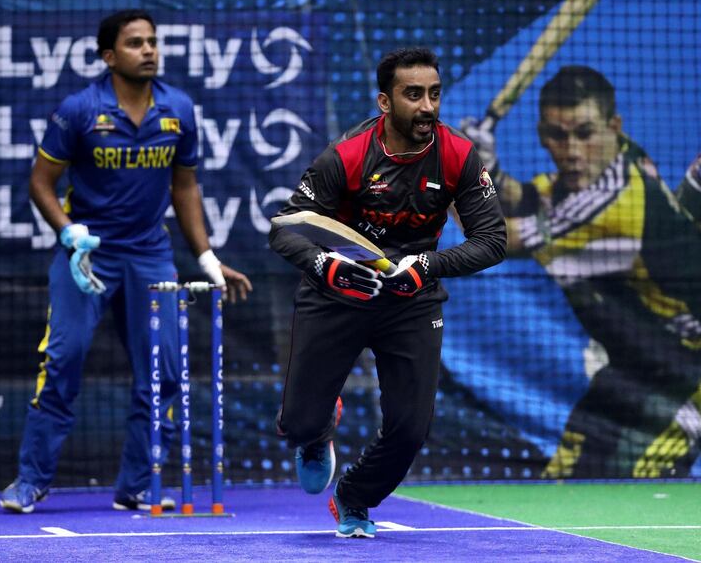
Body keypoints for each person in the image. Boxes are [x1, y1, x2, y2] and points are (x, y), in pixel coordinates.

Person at [0, 9, 252, 513]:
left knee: (166, 373)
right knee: (64, 359)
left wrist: (205, 258)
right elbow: (40, 183)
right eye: (136, 43)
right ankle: (30, 481)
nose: (149, 50)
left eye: (153, 42)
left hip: (150, 255)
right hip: (87, 258)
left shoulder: (178, 109)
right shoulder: (78, 109)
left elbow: (185, 187)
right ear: (110, 56)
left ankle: (136, 484)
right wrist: (69, 233)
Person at [269, 47, 506, 538]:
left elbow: (493, 241)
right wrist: (323, 265)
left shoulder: (458, 155)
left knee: (410, 429)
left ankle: (354, 497)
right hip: (337, 293)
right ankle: (315, 433)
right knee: (297, 422)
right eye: (413, 95)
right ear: (384, 102)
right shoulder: (347, 156)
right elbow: (284, 229)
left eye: (434, 95)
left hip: (411, 300)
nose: (427, 107)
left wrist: (427, 266)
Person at [462, 65, 701, 479]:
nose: (572, 151)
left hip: (682, 379)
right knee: (563, 482)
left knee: (630, 493)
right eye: (558, 136)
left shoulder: (613, 210)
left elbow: (490, 236)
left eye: (585, 134)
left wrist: (461, 173)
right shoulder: (620, 158)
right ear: (541, 134)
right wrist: (492, 171)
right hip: (636, 364)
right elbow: (530, 198)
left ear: (613, 126)